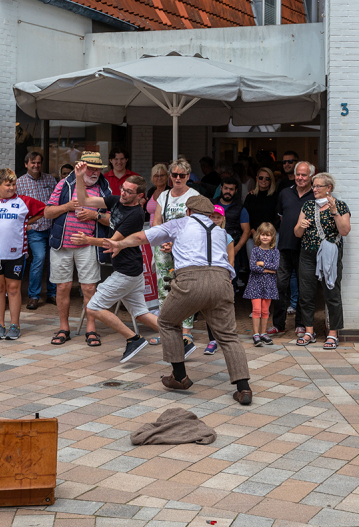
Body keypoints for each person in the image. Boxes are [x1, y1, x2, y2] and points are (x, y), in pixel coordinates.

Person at [104, 196, 253, 405]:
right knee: (228, 336)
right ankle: (244, 389)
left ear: (189, 211)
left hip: (190, 281)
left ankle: (180, 376)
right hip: (222, 282)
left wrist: (119, 243)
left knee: (166, 321)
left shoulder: (180, 223)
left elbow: (141, 237)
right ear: (210, 215)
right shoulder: (221, 232)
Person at [70, 163, 161, 362]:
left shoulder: (135, 215)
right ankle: (181, 339)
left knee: (93, 307)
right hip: (132, 270)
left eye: (129, 192)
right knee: (141, 313)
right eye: (123, 189)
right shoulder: (115, 201)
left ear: (140, 196)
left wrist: (87, 240)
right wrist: (79, 176)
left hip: (127, 272)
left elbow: (114, 242)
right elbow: (84, 199)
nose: (123, 194)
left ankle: (133, 339)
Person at [44, 151, 112, 346]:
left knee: (89, 287)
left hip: (88, 244)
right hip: (61, 245)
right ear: (80, 167)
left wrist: (93, 215)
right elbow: (47, 212)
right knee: (63, 287)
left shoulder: (104, 188)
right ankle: (64, 328)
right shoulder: (64, 184)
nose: (95, 172)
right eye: (91, 168)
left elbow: (113, 220)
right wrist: (67, 207)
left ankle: (91, 329)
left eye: (98, 169)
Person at [0, 168, 46, 340]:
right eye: (8, 184)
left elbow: (42, 210)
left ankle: (15, 325)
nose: (12, 188)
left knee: (13, 289)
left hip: (16, 252)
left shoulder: (23, 201)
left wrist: (25, 221)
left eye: (13, 184)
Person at [294, 173, 351, 350]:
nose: (314, 189)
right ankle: (309, 331)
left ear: (329, 188)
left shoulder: (340, 205)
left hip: (330, 256)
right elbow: (297, 233)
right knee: (306, 293)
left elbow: (344, 231)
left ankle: (333, 334)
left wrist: (334, 211)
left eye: (318, 186)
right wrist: (300, 226)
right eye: (314, 186)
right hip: (308, 255)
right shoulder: (308, 205)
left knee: (332, 293)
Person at [150, 159, 200, 347]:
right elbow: (157, 220)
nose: (178, 178)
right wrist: (164, 240)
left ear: (188, 176)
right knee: (164, 288)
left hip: (184, 247)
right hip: (163, 246)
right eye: (174, 175)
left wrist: (176, 243)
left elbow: (195, 224)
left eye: (182, 175)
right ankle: (167, 330)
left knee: (185, 287)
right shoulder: (164, 195)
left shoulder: (194, 196)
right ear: (170, 176)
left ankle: (186, 332)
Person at [268, 161, 315, 337]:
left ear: (311, 176)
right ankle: (278, 324)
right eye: (298, 174)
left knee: (304, 287)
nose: (300, 178)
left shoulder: (315, 196)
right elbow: (281, 218)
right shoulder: (284, 193)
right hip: (284, 247)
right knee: (280, 285)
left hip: (305, 249)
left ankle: (301, 324)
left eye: (304, 175)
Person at [16, 152, 58, 310]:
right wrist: (26, 225)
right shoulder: (19, 183)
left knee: (53, 261)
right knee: (39, 259)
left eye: (39, 162)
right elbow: (17, 207)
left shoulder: (50, 179)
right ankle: (34, 295)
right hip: (35, 229)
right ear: (26, 164)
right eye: (32, 162)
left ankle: (52, 293)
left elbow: (57, 201)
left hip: (52, 228)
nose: (36, 165)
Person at [204, 205, 236, 355]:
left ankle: (226, 338)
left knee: (223, 308)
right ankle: (212, 340)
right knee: (208, 307)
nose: (215, 220)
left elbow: (231, 260)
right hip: (206, 273)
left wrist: (229, 276)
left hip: (222, 274)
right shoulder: (202, 234)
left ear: (223, 219)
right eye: (212, 217)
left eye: (218, 217)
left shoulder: (226, 237)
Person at [212, 175, 251, 291]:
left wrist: (236, 249)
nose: (228, 191)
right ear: (221, 188)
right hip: (212, 248)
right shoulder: (211, 204)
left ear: (236, 191)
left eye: (231, 189)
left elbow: (247, 231)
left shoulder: (240, 208)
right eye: (225, 188)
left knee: (231, 281)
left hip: (232, 248)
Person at [244, 223, 280, 347]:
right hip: (255, 284)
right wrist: (268, 270)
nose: (265, 237)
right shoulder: (255, 250)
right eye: (263, 235)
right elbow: (253, 267)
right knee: (256, 309)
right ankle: (255, 334)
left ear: (272, 237)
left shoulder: (275, 252)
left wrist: (262, 263)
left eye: (268, 235)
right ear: (259, 236)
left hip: (269, 285)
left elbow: (275, 266)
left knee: (265, 310)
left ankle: (263, 333)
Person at [243, 167, 279, 260]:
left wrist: (266, 235)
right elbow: (245, 216)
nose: (263, 180)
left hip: (270, 236)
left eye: (267, 178)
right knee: (254, 267)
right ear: (256, 178)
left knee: (269, 266)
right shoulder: (250, 196)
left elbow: (277, 217)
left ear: (271, 180)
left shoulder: (275, 196)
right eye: (261, 177)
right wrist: (253, 233)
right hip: (252, 236)